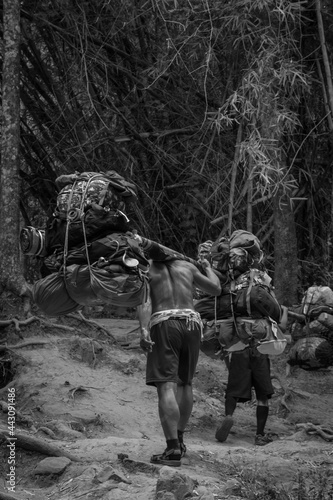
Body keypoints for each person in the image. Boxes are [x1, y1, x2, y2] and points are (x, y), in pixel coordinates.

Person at [137, 255, 221, 467]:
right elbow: (215, 289)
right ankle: (180, 441)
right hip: (192, 323)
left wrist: (144, 329)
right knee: (185, 383)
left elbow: (144, 300)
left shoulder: (147, 268)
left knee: (166, 385)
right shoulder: (188, 267)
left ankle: (172, 447)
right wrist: (208, 268)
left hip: (164, 323)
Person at [215, 304, 288, 446]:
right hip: (260, 354)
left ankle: (228, 417)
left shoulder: (235, 310)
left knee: (233, 391)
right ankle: (259, 435)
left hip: (238, 353)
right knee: (262, 396)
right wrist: (285, 310)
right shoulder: (265, 314)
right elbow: (282, 328)